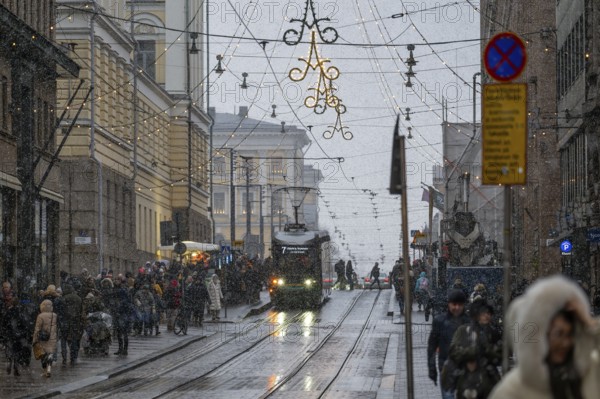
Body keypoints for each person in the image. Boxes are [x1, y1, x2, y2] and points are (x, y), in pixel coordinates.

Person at [490, 275, 600, 399]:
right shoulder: (514, 389)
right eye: (559, 334)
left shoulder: (591, 371)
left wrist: (590, 324)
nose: (566, 343)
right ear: (541, 335)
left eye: (570, 334)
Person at [446, 299, 502, 398]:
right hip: (467, 380)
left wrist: (487, 350)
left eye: (489, 313)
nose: (487, 316)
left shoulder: (493, 332)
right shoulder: (464, 330)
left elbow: (502, 355)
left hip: (489, 381)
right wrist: (472, 352)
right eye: (484, 313)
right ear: (476, 315)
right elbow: (453, 352)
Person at [427, 289, 470, 399]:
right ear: (449, 304)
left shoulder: (469, 322)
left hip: (466, 368)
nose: (456, 308)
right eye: (454, 304)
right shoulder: (439, 321)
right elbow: (432, 346)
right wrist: (432, 369)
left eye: (459, 305)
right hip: (446, 367)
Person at [33, 299, 58, 378]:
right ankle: (49, 370)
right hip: (52, 337)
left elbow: (37, 329)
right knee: (50, 354)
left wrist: (35, 339)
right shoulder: (54, 315)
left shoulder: (40, 316)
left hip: (43, 338)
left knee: (43, 355)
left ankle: (44, 370)